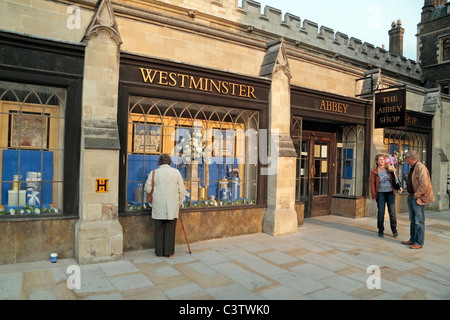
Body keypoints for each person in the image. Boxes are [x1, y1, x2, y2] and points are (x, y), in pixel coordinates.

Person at [144, 154, 186, 257]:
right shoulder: (176, 172)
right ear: (170, 162)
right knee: (170, 228)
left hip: (158, 203)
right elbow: (182, 190)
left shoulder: (154, 172)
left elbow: (147, 187)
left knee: (158, 228)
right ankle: (169, 252)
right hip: (172, 203)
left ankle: (159, 252)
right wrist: (180, 202)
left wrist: (155, 193)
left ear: (159, 162)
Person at [402, 150, 434, 249]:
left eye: (406, 157)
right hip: (411, 196)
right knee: (412, 220)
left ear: (410, 158)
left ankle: (419, 243)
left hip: (417, 198)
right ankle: (412, 239)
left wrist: (417, 195)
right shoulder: (413, 166)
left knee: (419, 221)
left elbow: (424, 184)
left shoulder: (420, 167)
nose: (405, 159)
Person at [370, 154, 398, 238]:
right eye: (380, 160)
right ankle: (381, 230)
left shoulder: (389, 168)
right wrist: (374, 196)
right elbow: (372, 184)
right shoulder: (374, 171)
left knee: (392, 213)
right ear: (377, 161)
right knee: (381, 213)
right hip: (380, 193)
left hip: (390, 192)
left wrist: (394, 171)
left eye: (383, 159)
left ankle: (394, 230)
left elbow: (396, 179)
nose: (382, 161)